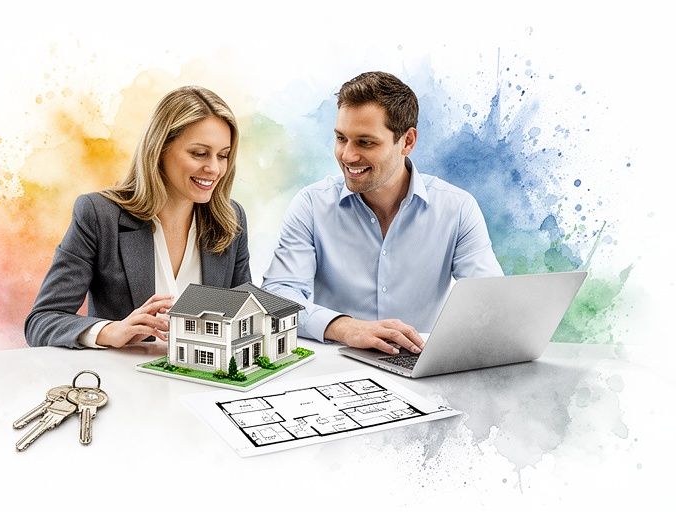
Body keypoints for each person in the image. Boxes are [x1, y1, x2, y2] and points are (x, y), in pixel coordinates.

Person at [261, 71, 502, 355]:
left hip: (420, 366)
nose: (347, 156)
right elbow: (277, 298)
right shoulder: (311, 205)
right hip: (337, 366)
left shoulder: (457, 209)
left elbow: (491, 302)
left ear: (407, 141)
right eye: (341, 138)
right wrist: (346, 327)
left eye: (365, 142)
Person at [25, 86, 251, 348]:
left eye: (223, 156)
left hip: (206, 383)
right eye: (199, 153)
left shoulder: (231, 220)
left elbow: (246, 315)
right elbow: (41, 321)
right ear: (160, 149)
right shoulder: (99, 215)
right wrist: (111, 331)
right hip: (125, 384)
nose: (214, 168)